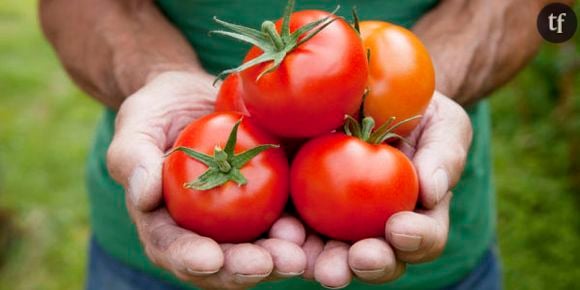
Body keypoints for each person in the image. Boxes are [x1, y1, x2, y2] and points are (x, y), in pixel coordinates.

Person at [39, 0, 551, 289]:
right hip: (146, 262)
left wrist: (422, 93)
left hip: (441, 267)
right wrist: (158, 75)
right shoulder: (244, 107)